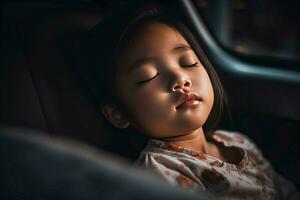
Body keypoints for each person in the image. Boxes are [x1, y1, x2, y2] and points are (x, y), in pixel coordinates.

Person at [70, 4, 300, 200]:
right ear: (119, 113)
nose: (180, 78)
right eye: (149, 76)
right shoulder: (157, 176)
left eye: (188, 62)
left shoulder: (237, 142)